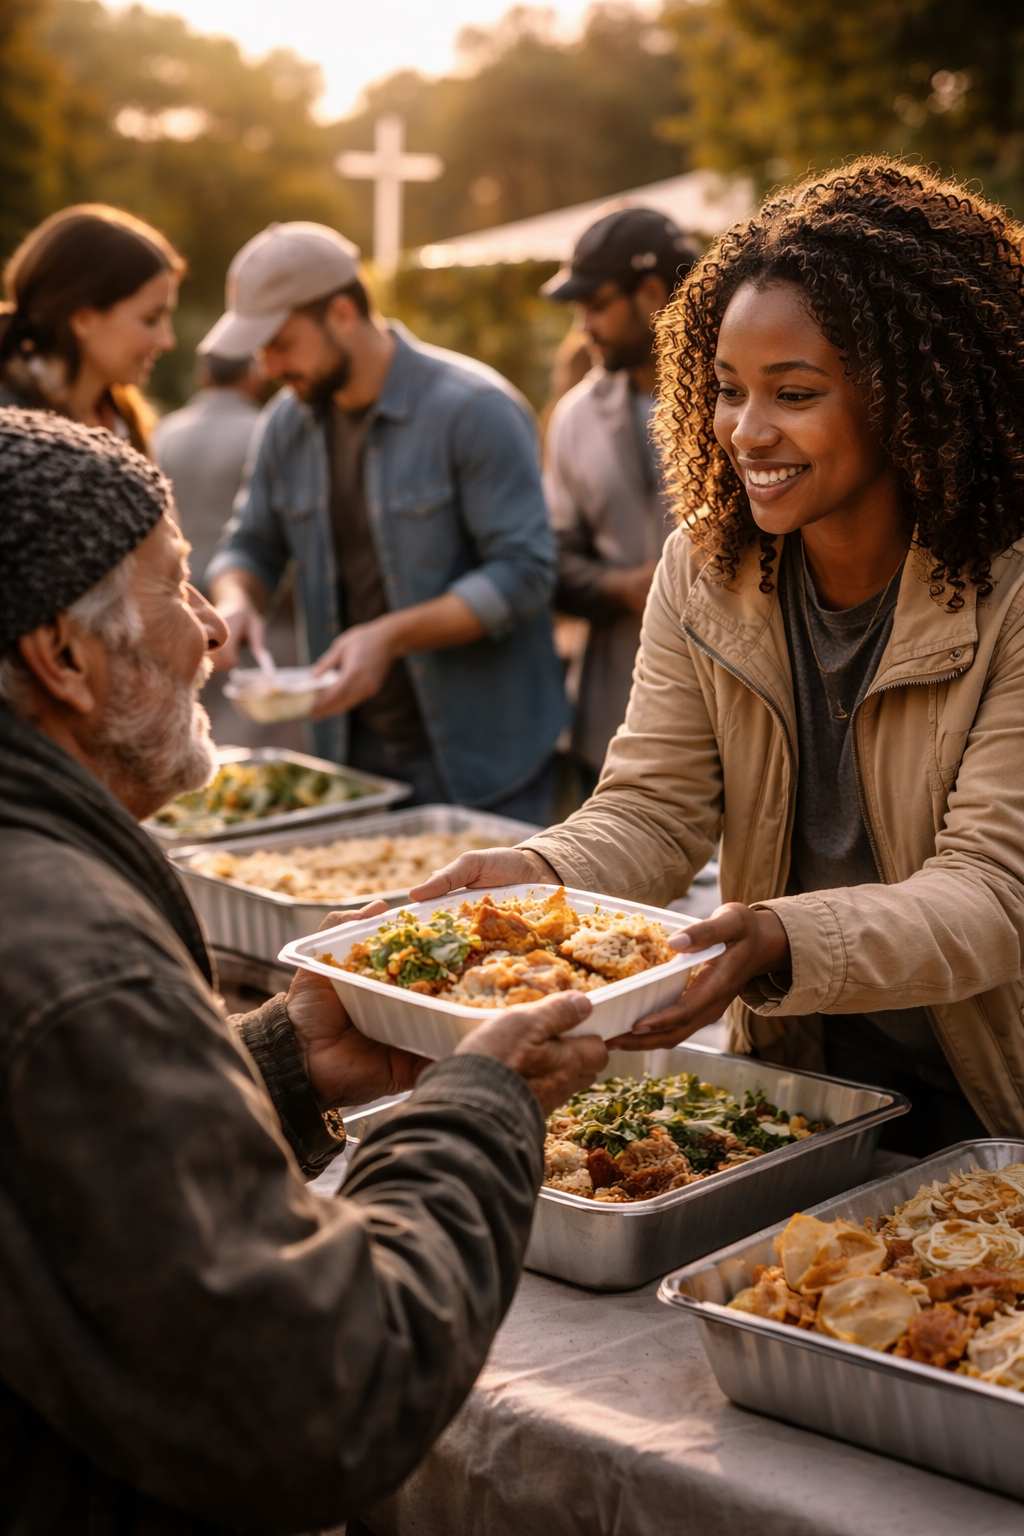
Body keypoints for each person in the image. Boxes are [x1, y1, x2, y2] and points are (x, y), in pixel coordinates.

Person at [0, 406, 605, 1534]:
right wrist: (484, 1108)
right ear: (65, 657)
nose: (211, 634)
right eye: (175, 588)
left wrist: (280, 1063)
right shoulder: (73, 958)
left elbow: (75, 1196)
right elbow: (323, 1389)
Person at [413, 159, 1024, 1158]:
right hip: (800, 1086)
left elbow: (995, 896)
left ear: (911, 397)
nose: (745, 431)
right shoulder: (704, 568)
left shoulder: (1011, 594)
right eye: (726, 390)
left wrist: (777, 936)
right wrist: (532, 873)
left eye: (793, 393)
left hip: (996, 1102)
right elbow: (654, 808)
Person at [204, 221, 567, 820]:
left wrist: (390, 636)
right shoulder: (285, 424)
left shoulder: (475, 409)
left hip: (486, 762)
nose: (268, 365)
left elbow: (525, 574)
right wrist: (238, 600)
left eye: (281, 342)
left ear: (342, 313)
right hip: (352, 759)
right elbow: (250, 546)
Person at [541, 208, 700, 785]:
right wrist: (618, 586)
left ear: (653, 293)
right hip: (613, 718)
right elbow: (549, 557)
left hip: (738, 719)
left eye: (598, 305)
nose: (584, 326)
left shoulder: (745, 404)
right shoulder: (576, 416)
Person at [0, 203, 182, 452]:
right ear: (83, 319)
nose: (167, 341)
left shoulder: (126, 424)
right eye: (150, 319)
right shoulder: (11, 435)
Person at [151, 351, 263, 592]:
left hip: (178, 589)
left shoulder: (164, 433)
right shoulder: (262, 433)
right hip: (246, 594)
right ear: (252, 376)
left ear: (203, 376)